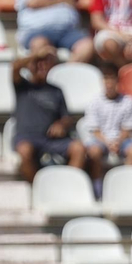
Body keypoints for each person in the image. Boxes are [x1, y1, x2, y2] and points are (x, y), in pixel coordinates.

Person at [11, 43, 83, 185]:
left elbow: (67, 117)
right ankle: (38, 187)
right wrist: (37, 54)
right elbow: (15, 67)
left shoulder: (56, 90)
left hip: (51, 140)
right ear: (30, 67)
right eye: (38, 63)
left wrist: (61, 124)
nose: (42, 67)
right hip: (27, 137)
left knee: (78, 148)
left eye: (45, 63)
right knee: (24, 151)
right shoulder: (22, 86)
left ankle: (69, 185)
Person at [78, 64, 132, 190]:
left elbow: (127, 129)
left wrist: (118, 141)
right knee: (94, 151)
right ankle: (97, 186)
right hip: (100, 139)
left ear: (117, 81)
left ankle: (127, 186)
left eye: (111, 79)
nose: (109, 83)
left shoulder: (128, 101)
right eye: (106, 79)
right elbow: (95, 131)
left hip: (121, 140)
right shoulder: (94, 102)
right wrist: (108, 143)